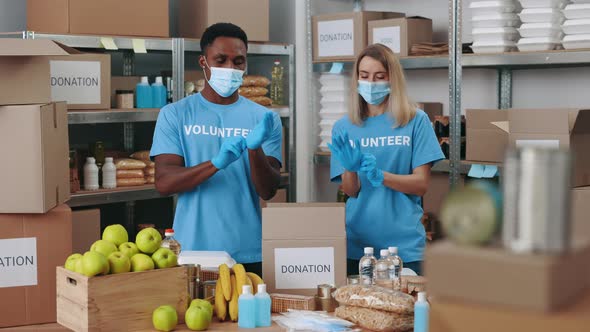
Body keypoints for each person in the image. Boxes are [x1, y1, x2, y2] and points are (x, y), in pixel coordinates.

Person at [150, 23, 282, 276]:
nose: (230, 68)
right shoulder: (175, 115)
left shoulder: (264, 119)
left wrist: (254, 149)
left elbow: (268, 190)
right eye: (220, 60)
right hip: (191, 250)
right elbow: (164, 183)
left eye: (238, 61)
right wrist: (216, 163)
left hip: (247, 251)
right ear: (204, 62)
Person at [329, 44, 444, 276]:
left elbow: (421, 184)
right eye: (364, 76)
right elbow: (351, 191)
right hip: (359, 247)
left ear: (393, 79)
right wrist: (350, 170)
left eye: (379, 76)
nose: (371, 83)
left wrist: (381, 176)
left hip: (406, 248)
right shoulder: (344, 127)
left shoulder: (415, 121)